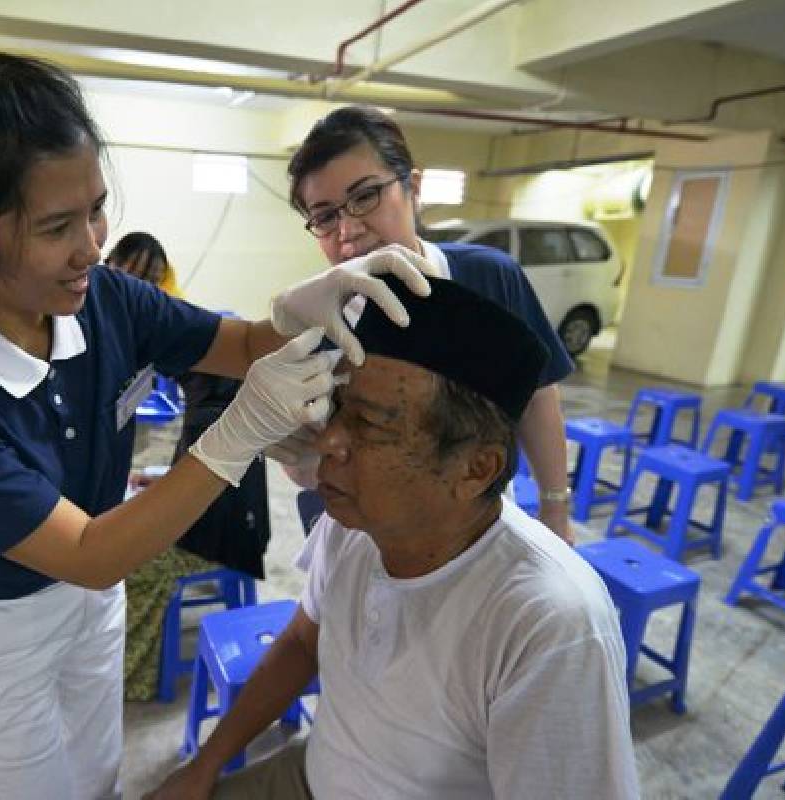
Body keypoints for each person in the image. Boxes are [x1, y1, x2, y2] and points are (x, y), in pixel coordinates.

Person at [0, 54, 432, 800]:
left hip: (92, 598)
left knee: (97, 774)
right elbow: (88, 552)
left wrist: (293, 312)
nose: (92, 245)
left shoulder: (105, 299)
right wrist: (239, 432)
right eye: (57, 226)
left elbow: (241, 343)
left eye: (95, 208)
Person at [148, 274, 638, 800]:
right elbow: (300, 643)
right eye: (337, 407)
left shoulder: (547, 621)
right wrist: (207, 765)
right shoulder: (352, 521)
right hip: (314, 776)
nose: (330, 440)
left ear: (475, 470)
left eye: (371, 425)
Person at [275, 106, 576, 543]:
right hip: (365, 531)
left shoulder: (489, 279)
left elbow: (536, 395)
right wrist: (302, 451)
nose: (348, 230)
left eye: (365, 196)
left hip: (480, 519)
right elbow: (311, 466)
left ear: (412, 188)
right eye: (324, 216)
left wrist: (554, 506)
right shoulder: (319, 318)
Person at [106, 233, 271, 700]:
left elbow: (199, 493)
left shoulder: (213, 417)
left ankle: (135, 678)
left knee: (121, 565)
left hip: (218, 541)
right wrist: (159, 480)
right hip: (222, 526)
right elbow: (195, 477)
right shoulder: (215, 408)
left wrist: (157, 493)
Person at [107, 230, 184, 297]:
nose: (147, 288)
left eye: (153, 281)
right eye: (139, 277)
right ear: (113, 263)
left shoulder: (165, 306)